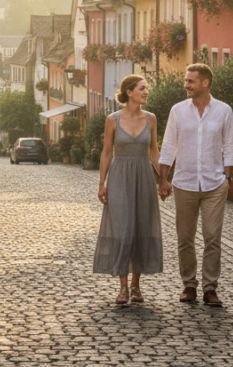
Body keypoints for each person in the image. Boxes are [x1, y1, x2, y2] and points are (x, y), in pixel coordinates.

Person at [158, 63, 233, 307]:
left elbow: (230, 145)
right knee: (185, 238)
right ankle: (189, 285)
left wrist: (227, 178)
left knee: (213, 237)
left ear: (205, 83)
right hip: (184, 182)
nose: (186, 85)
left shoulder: (223, 111)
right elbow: (169, 145)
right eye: (186, 80)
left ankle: (210, 288)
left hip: (215, 184)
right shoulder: (178, 111)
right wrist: (163, 178)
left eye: (191, 81)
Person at [93, 75, 163, 305]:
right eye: (142, 88)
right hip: (120, 178)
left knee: (141, 230)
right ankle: (122, 287)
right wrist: (102, 183)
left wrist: (163, 178)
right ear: (129, 92)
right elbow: (106, 153)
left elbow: (154, 151)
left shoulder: (151, 118)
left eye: (146, 88)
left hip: (143, 177)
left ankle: (136, 285)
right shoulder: (112, 119)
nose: (146, 92)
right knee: (122, 230)